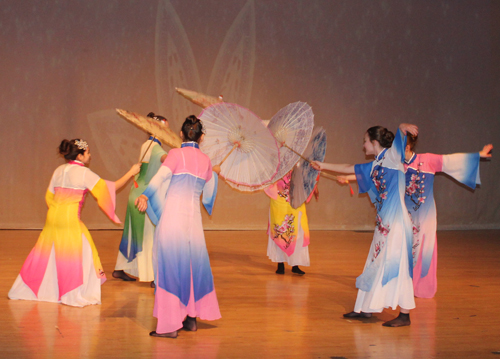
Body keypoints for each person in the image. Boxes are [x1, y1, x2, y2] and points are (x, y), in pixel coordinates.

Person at [8, 139, 140, 307]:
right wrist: (131, 172)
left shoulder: (59, 170)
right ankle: (72, 293)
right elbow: (110, 188)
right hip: (69, 220)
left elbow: (49, 196)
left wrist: (58, 211)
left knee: (46, 254)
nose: (90, 155)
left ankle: (35, 289)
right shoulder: (84, 173)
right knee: (76, 256)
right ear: (80, 155)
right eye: (88, 152)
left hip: (53, 218)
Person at [312, 123, 418, 327]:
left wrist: (402, 127)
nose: (363, 145)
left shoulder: (392, 157)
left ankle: (405, 315)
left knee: (399, 264)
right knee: (373, 262)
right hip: (384, 222)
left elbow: (400, 138)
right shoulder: (376, 164)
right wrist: (322, 165)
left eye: (365, 141)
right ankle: (365, 309)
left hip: (396, 222)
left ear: (375, 142)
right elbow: (348, 168)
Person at [135, 115, 220, 338]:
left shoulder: (175, 154)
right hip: (194, 224)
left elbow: (160, 178)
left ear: (181, 134)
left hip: (173, 219)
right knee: (192, 266)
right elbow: (209, 193)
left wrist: (145, 195)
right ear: (201, 138)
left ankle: (170, 325)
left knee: (169, 267)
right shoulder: (205, 160)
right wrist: (213, 173)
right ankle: (191, 319)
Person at [404, 135, 493, 298]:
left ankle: (422, 286)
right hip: (405, 215)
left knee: (424, 248)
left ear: (407, 147)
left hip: (425, 215)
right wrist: (351, 178)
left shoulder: (427, 160)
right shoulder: (397, 166)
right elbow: (375, 173)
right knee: (404, 248)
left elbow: (451, 160)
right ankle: (403, 284)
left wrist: (478, 154)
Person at [113, 112, 169, 286]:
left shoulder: (147, 144)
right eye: (165, 128)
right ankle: (152, 276)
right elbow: (165, 160)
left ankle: (120, 268)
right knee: (147, 235)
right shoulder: (155, 147)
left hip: (136, 192)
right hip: (145, 195)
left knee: (132, 233)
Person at [265, 171, 315, 275]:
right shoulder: (276, 164)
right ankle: (280, 263)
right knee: (280, 231)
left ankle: (295, 264)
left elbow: (305, 177)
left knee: (298, 231)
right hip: (279, 201)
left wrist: (313, 184)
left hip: (296, 199)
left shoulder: (298, 164)